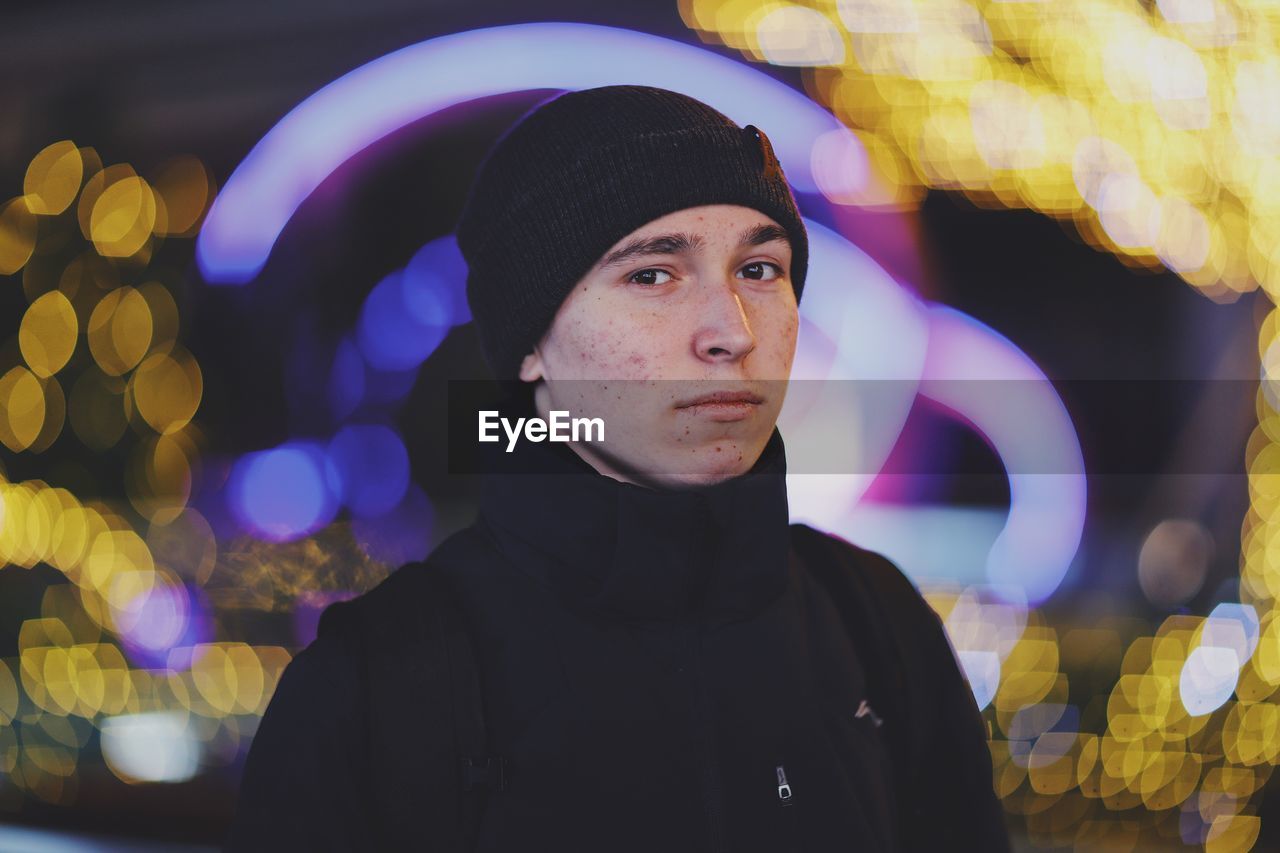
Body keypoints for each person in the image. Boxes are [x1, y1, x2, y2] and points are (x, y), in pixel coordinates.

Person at [224, 85, 1010, 852]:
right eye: (652, 274)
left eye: (760, 269)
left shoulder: (878, 631)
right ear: (530, 345)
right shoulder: (377, 690)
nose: (731, 331)